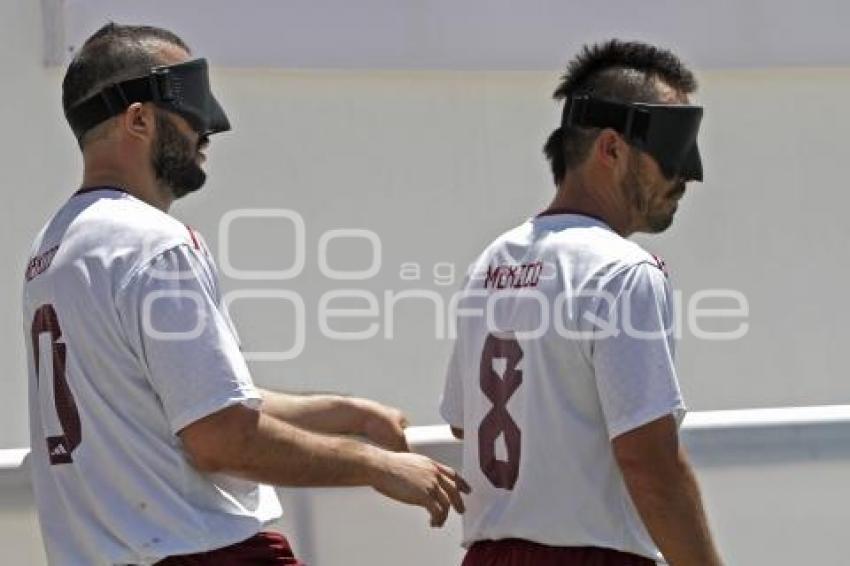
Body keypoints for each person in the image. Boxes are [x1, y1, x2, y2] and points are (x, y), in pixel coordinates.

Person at [23, 23, 468, 565]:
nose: (206, 130)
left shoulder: (53, 250)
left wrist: (348, 413)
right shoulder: (155, 244)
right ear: (138, 118)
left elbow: (191, 402)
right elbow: (219, 439)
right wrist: (375, 465)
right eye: (189, 108)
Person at [440, 39, 723, 565]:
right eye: (673, 148)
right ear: (611, 150)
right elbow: (648, 463)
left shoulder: (492, 263)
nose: (686, 174)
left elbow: (466, 423)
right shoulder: (623, 271)